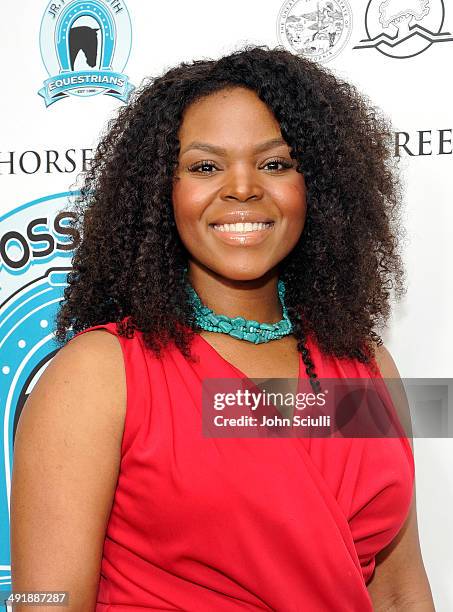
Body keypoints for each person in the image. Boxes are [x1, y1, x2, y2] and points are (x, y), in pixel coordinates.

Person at [10, 45, 435, 611]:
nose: (242, 188)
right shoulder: (98, 374)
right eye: (205, 166)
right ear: (161, 193)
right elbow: (48, 602)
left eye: (276, 163)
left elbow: (400, 592)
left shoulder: (366, 363)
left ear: (321, 187)